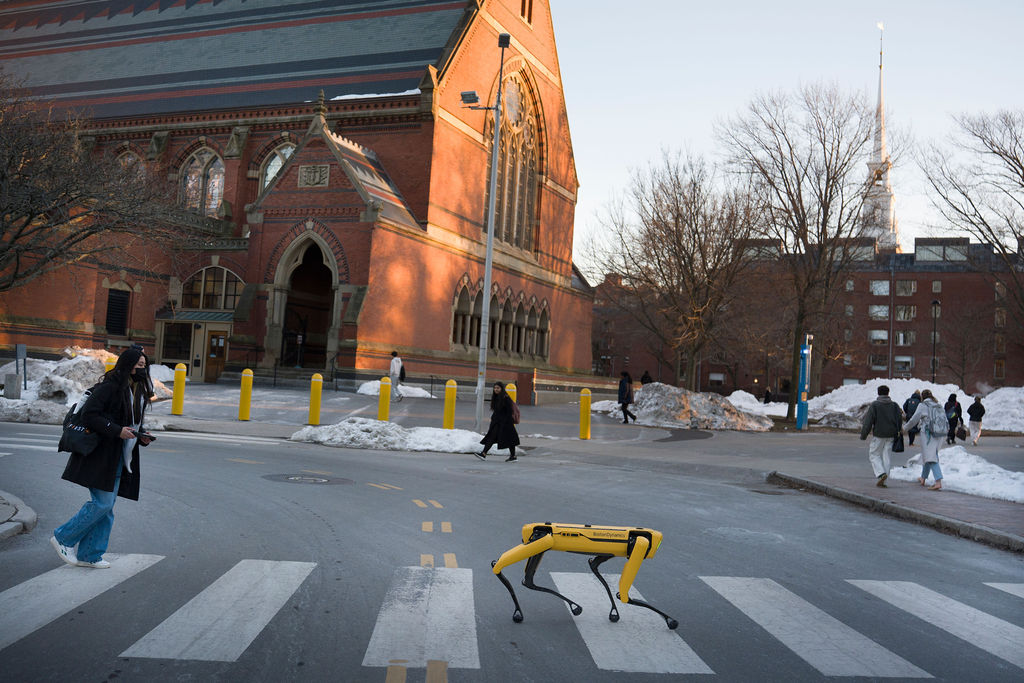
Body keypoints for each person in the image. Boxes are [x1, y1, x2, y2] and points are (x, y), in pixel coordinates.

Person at [51, 345, 155, 568]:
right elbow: (90, 416)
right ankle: (63, 537)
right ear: (128, 365)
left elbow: (131, 421)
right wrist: (117, 431)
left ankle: (91, 555)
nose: (143, 370)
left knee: (107, 507)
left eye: (145, 366)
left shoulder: (135, 391)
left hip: (119, 456)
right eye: (139, 366)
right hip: (99, 455)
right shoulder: (110, 387)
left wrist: (140, 435)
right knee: (102, 504)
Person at [859, 384, 903, 487]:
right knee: (886, 456)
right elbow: (899, 420)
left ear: (878, 393)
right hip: (891, 435)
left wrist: (863, 435)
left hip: (879, 434)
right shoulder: (895, 405)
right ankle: (885, 478)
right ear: (888, 393)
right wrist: (898, 432)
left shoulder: (875, 405)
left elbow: (869, 421)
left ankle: (880, 474)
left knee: (874, 454)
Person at [903, 389, 945, 490]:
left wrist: (904, 428)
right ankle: (923, 478)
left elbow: (914, 419)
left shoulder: (923, 405)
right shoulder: (938, 405)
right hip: (940, 434)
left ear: (922, 397)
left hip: (928, 434)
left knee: (931, 457)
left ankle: (938, 482)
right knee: (927, 454)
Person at [476, 381, 520, 462]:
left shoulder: (505, 398)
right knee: (492, 437)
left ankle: (513, 456)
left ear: (501, 389)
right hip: (498, 422)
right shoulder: (496, 397)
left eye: (498, 388)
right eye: (495, 388)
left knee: (510, 439)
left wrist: (505, 422)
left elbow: (509, 411)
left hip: (505, 423)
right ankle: (484, 453)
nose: (496, 389)